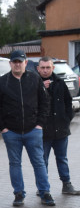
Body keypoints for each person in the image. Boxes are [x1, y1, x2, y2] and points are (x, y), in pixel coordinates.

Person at [0, 49, 53, 207]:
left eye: (20, 61)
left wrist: (40, 124)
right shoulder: (2, 81)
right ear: (10, 63)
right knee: (15, 164)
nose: (17, 64)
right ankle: (18, 193)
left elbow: (45, 103)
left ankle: (45, 192)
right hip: (11, 132)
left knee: (39, 162)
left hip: (33, 130)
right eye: (14, 62)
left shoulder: (35, 79)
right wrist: (3, 128)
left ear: (25, 63)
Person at [36, 56, 80, 195]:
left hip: (61, 130)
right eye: (42, 68)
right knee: (42, 161)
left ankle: (67, 184)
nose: (45, 70)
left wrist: (67, 119)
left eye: (48, 67)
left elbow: (69, 102)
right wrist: (43, 89)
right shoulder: (34, 84)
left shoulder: (60, 83)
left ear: (52, 68)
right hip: (43, 131)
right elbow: (31, 104)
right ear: (38, 68)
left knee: (62, 158)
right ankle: (43, 188)